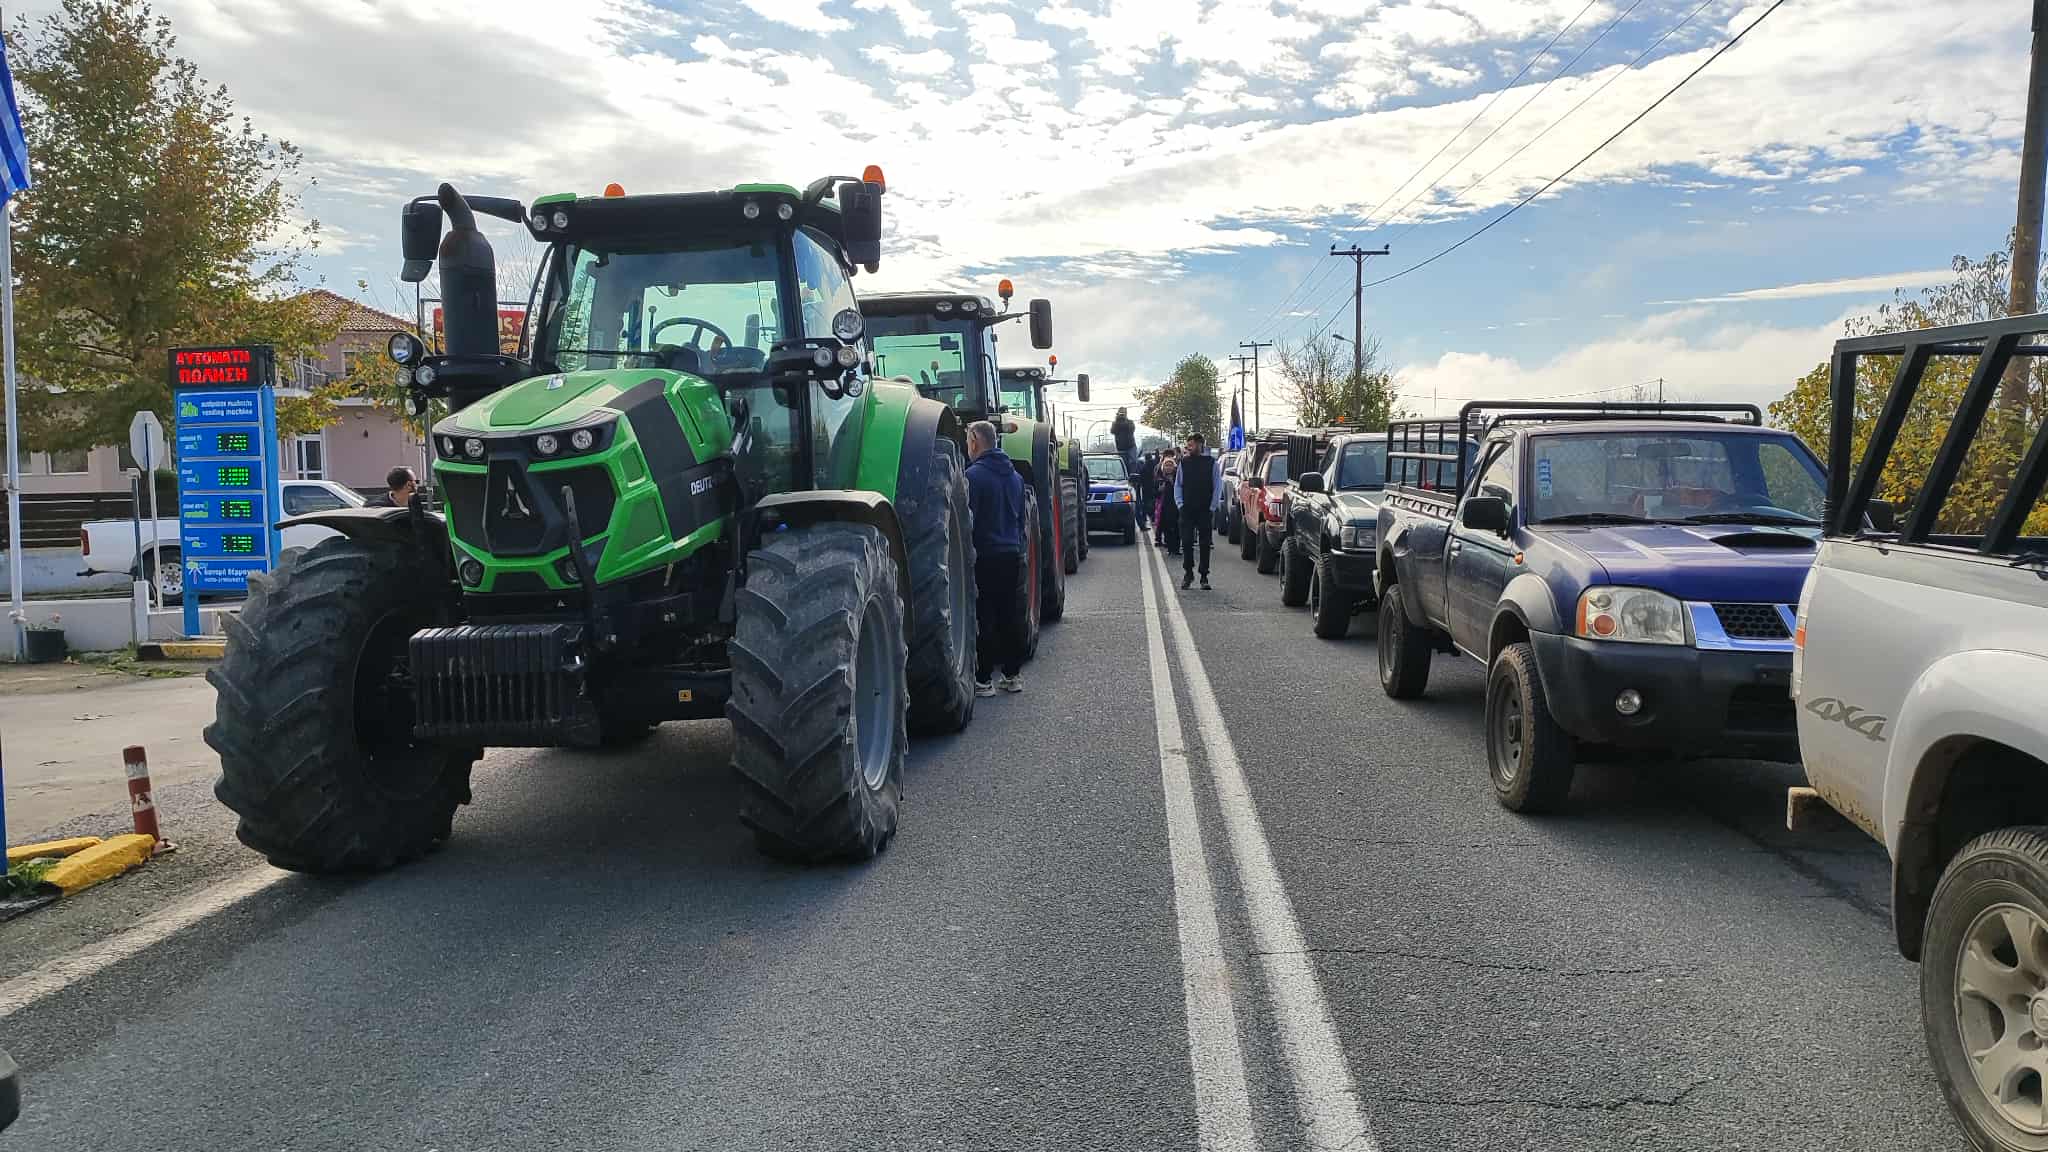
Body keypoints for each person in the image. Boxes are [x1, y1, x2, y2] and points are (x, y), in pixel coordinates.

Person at [964, 420, 1027, 696]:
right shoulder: (1015, 477)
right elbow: (1021, 519)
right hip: (1012, 553)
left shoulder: (973, 476)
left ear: (976, 440)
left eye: (968, 440)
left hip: (986, 555)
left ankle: (983, 679)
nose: (967, 446)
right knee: (1009, 614)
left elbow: (968, 521)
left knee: (985, 615)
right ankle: (1012, 676)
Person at [1174, 433, 1222, 589]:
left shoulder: (1211, 463)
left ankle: (1204, 576)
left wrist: (1212, 507)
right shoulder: (1184, 463)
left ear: (1200, 445)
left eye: (1192, 444)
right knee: (1187, 542)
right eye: (1188, 444)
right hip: (1187, 509)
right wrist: (1180, 504)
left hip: (1204, 509)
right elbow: (1178, 485)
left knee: (1204, 543)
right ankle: (1188, 573)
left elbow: (1217, 486)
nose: (1189, 447)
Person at [1155, 452, 1180, 554]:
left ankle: (1177, 548)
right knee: (1167, 528)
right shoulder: (1160, 479)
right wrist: (1160, 490)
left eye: (1170, 465)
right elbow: (1154, 493)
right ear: (1163, 467)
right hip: (1164, 507)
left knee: (1177, 527)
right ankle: (1170, 547)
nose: (1168, 467)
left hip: (1176, 505)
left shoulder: (1177, 478)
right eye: (1166, 465)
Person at [1111, 407, 1137, 477]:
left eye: (1123, 413)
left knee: (1133, 461)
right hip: (1121, 447)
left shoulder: (1130, 422)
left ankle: (1133, 476)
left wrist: (1124, 419)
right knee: (1123, 464)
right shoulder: (1115, 423)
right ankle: (1125, 477)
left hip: (1131, 446)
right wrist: (1117, 420)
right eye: (1121, 413)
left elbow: (1131, 429)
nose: (1122, 414)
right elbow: (1112, 431)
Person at [1134, 450, 1156, 532]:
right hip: (1152, 487)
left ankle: (1145, 517)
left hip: (1145, 488)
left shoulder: (1143, 467)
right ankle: (1152, 517)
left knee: (1144, 504)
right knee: (1151, 503)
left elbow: (1140, 478)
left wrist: (1140, 485)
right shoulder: (1153, 464)